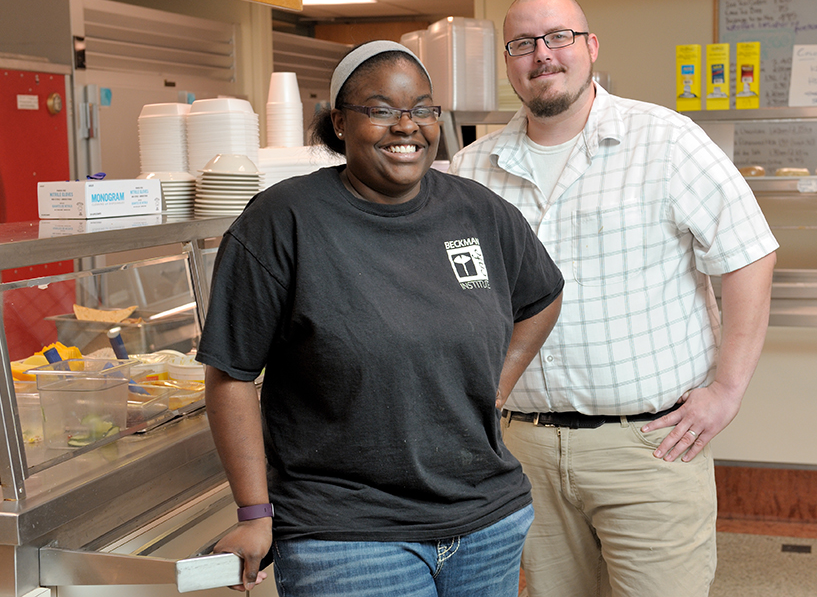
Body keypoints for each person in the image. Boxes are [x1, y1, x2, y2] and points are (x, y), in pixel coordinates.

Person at [196, 40, 565, 597]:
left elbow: (543, 296)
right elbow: (231, 374)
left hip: (486, 520)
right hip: (347, 534)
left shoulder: (479, 211)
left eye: (422, 109)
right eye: (382, 110)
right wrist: (254, 511)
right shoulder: (283, 220)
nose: (407, 126)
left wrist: (495, 386)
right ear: (340, 123)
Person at [449, 0, 778, 597]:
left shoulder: (666, 141)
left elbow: (750, 254)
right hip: (524, 450)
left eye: (558, 38)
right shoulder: (472, 170)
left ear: (590, 47)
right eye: (523, 44)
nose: (541, 55)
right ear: (508, 62)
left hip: (649, 448)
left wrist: (727, 391)